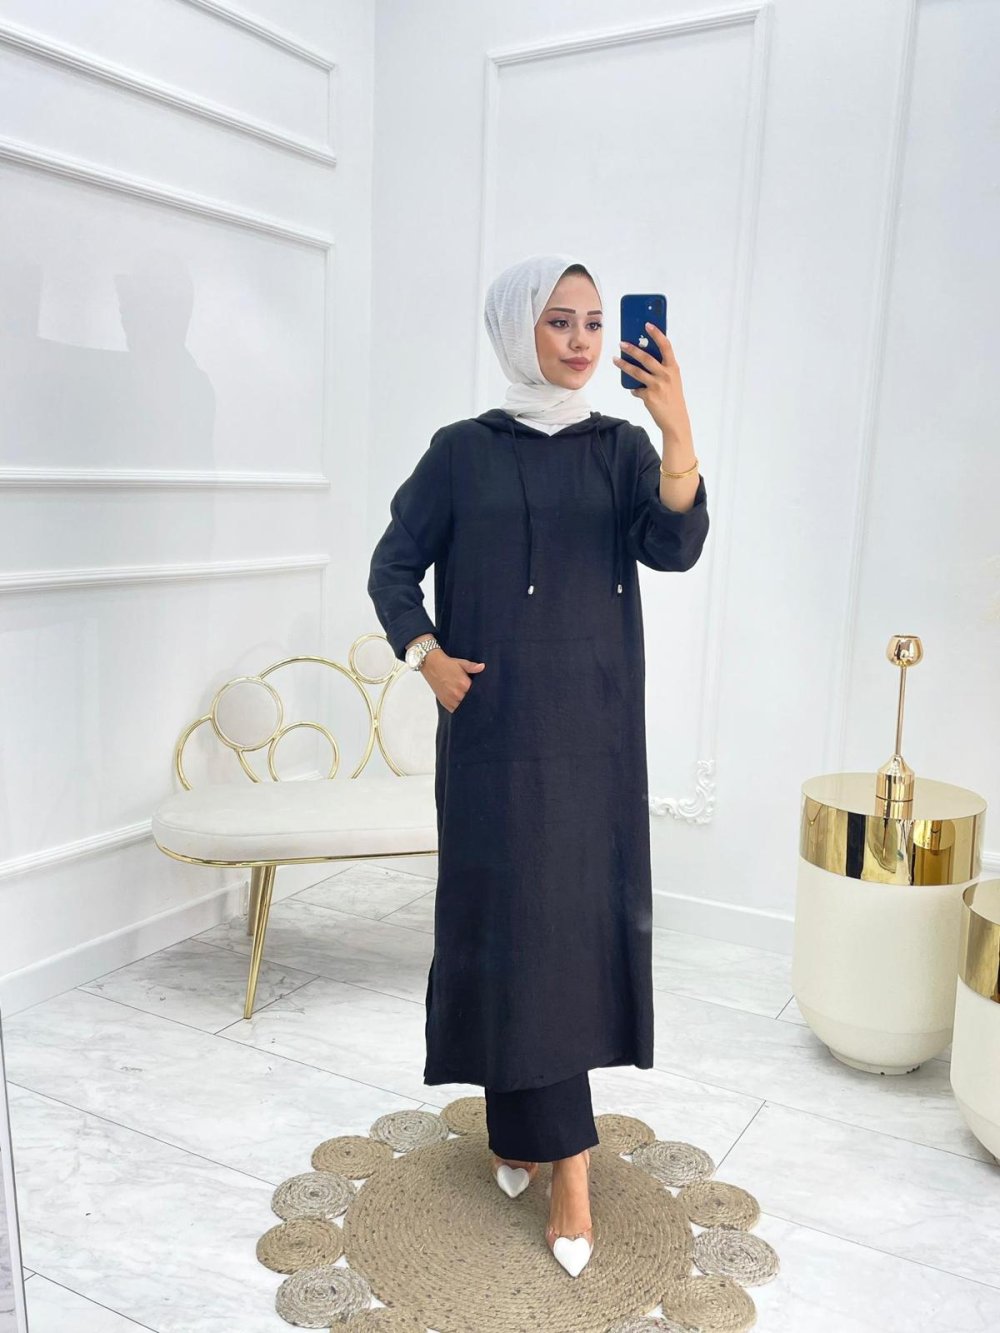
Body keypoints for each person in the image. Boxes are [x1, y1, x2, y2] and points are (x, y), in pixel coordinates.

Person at [367, 253, 709, 1277]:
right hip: (491, 731)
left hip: (591, 731)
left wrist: (676, 427)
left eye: (594, 322)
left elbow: (673, 545)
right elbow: (392, 564)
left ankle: (569, 1166)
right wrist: (424, 654)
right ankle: (522, 1128)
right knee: (506, 925)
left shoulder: (619, 448)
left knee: (563, 932)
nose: (581, 340)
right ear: (518, 328)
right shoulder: (460, 451)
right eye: (559, 320)